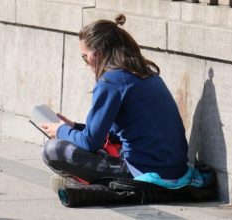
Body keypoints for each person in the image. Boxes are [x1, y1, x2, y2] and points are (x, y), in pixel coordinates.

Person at [40, 14, 189, 190]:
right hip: (175, 168)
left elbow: (90, 142)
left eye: (84, 56)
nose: (85, 63)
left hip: (146, 170)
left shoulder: (111, 81)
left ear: (98, 53)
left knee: (53, 150)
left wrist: (61, 131)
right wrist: (74, 127)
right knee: (92, 146)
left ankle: (87, 186)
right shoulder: (145, 73)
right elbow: (110, 135)